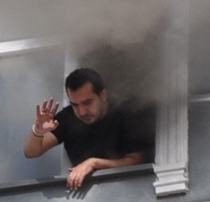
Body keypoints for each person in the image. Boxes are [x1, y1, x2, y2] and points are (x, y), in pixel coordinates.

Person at [24, 68, 153, 189]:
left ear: (103, 95)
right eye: (75, 105)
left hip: (127, 190)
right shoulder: (67, 118)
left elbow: (138, 160)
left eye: (87, 103)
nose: (81, 112)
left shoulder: (125, 113)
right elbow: (32, 152)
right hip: (83, 199)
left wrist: (93, 163)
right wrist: (38, 131)